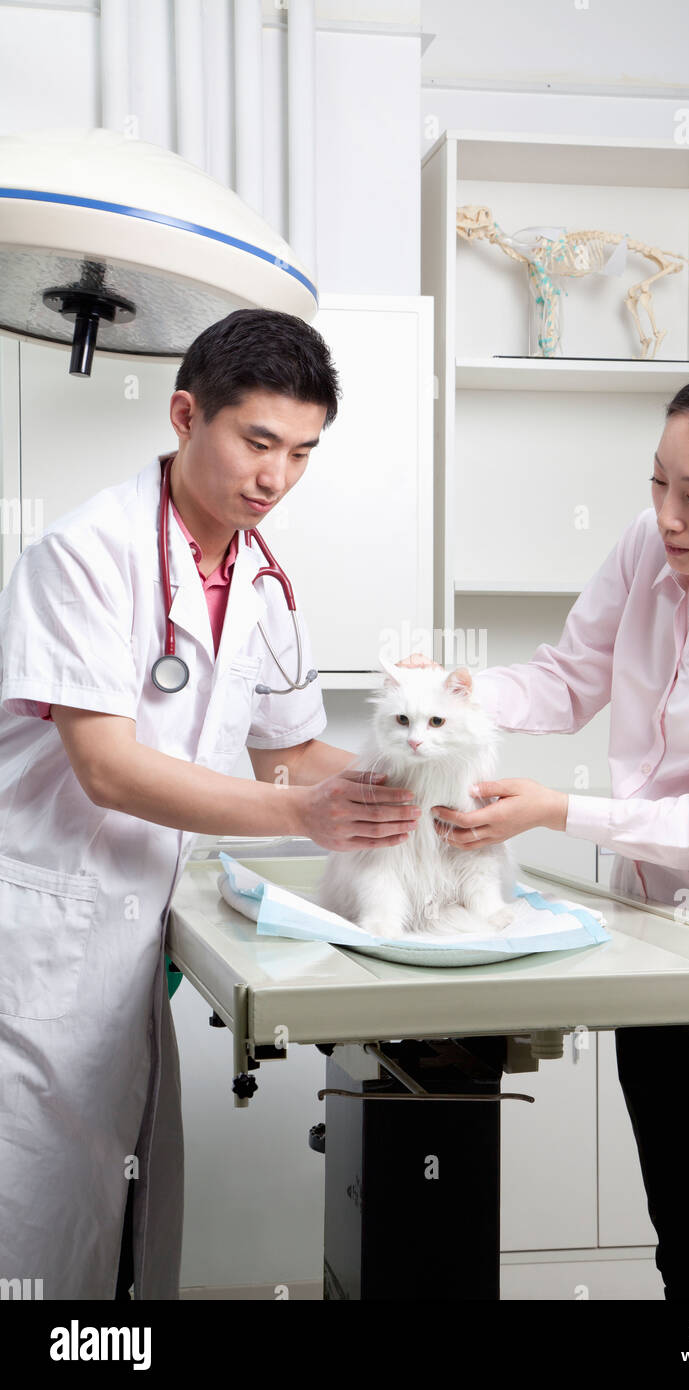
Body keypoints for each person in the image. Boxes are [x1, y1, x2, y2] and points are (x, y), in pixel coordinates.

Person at [403, 364, 689, 1300]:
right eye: (658, 482)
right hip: (653, 951)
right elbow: (568, 678)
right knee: (688, 1257)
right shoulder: (648, 554)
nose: (666, 517)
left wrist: (553, 811)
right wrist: (451, 692)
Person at [0, 309, 423, 1300]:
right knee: (36, 1207)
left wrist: (414, 778)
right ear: (188, 414)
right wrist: (303, 814)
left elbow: (284, 753)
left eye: (302, 454)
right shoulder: (86, 553)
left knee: (121, 1198)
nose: (275, 477)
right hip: (44, 926)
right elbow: (107, 766)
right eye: (258, 441)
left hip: (142, 925)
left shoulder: (262, 579)